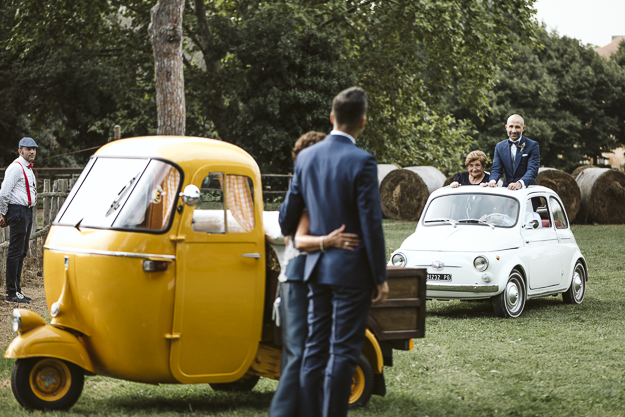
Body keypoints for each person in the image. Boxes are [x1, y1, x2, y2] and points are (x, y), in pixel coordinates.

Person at [279, 87, 388, 417]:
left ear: (331, 117)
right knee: (342, 351)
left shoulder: (307, 157)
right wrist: (379, 276)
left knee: (314, 350)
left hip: (315, 270)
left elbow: (287, 216)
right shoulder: (363, 161)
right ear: (363, 123)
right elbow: (371, 222)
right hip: (351, 273)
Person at [269, 132, 360, 417]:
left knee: (308, 352)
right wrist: (325, 241)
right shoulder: (306, 186)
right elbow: (290, 229)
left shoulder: (330, 187)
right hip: (297, 275)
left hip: (320, 277)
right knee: (298, 354)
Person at [0, 137, 39, 303]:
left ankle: (17, 289)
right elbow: (4, 192)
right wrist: (2, 213)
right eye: (27, 148)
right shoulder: (16, 168)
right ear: (20, 151)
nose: (32, 151)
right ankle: (11, 292)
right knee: (15, 251)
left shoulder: (28, 168)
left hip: (27, 212)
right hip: (18, 212)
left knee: (22, 251)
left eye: (34, 149)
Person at [484, 114, 539, 190]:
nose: (514, 130)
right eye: (511, 126)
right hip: (507, 191)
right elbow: (496, 169)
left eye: (517, 127)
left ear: (523, 128)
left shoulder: (532, 145)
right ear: (506, 127)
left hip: (527, 190)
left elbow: (532, 170)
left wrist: (519, 183)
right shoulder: (499, 146)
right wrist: (493, 181)